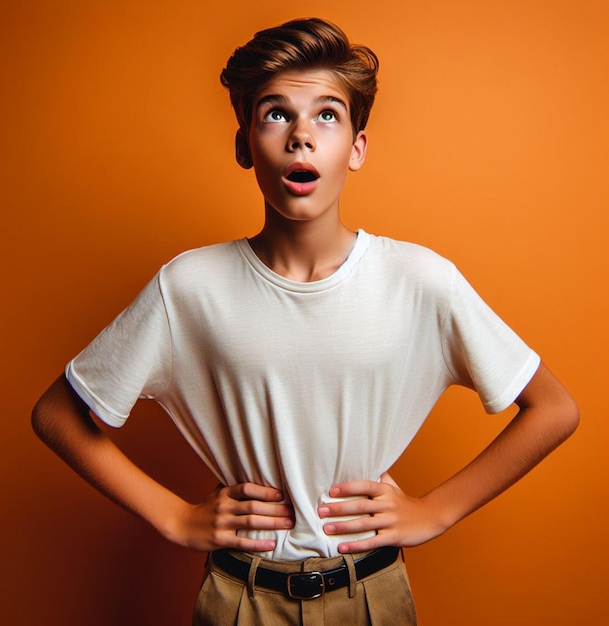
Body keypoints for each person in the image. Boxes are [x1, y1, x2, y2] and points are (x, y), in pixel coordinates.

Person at [32, 17, 579, 625]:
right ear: (244, 144)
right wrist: (175, 516)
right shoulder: (189, 286)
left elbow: (554, 408)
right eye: (274, 114)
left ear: (357, 146)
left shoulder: (419, 280)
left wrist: (437, 511)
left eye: (326, 115)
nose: (300, 137)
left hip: (371, 594)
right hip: (241, 596)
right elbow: (57, 414)